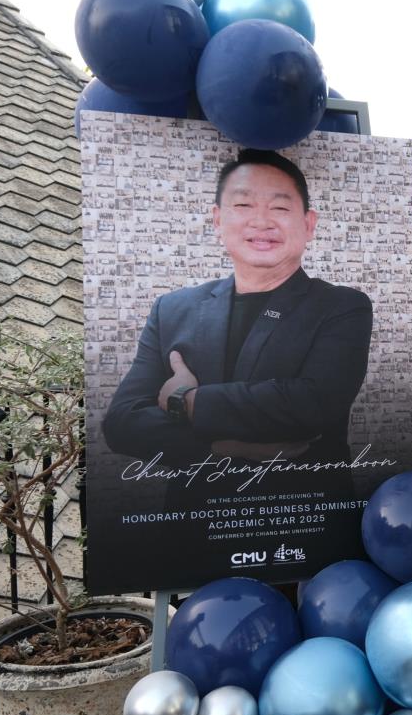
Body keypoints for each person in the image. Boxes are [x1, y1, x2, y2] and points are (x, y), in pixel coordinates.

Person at [103, 148, 373, 497]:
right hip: (195, 519)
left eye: (279, 208)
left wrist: (185, 400)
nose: (261, 221)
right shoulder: (172, 309)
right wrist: (219, 450)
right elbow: (122, 422)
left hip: (305, 513)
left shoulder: (342, 307)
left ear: (309, 224)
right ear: (217, 220)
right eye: (243, 205)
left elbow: (312, 404)